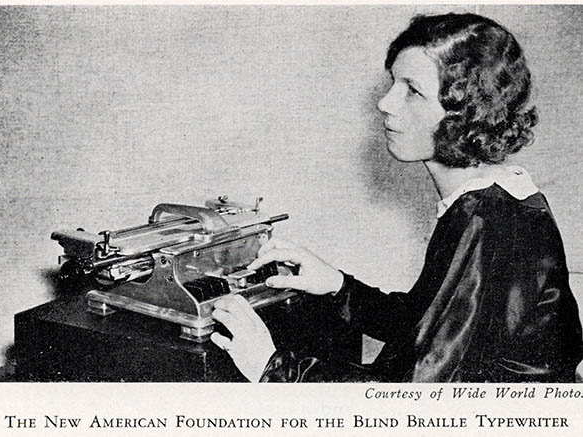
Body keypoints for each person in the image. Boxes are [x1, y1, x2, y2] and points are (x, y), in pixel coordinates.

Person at [210, 13, 583, 382]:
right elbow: (429, 324)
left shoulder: (488, 222)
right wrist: (339, 286)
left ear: (467, 112)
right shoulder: (490, 200)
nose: (385, 103)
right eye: (393, 83)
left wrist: (270, 364)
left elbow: (411, 402)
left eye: (412, 90)